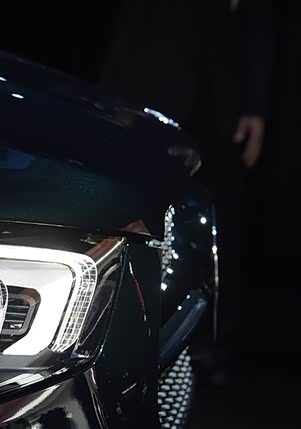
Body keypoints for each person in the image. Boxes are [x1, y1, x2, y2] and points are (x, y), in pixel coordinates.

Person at [99, 0, 273, 378]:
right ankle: (126, 333)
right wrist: (114, 96)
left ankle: (203, 343)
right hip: (152, 88)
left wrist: (255, 107)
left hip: (216, 105)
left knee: (213, 224)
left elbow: (259, 24)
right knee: (142, 215)